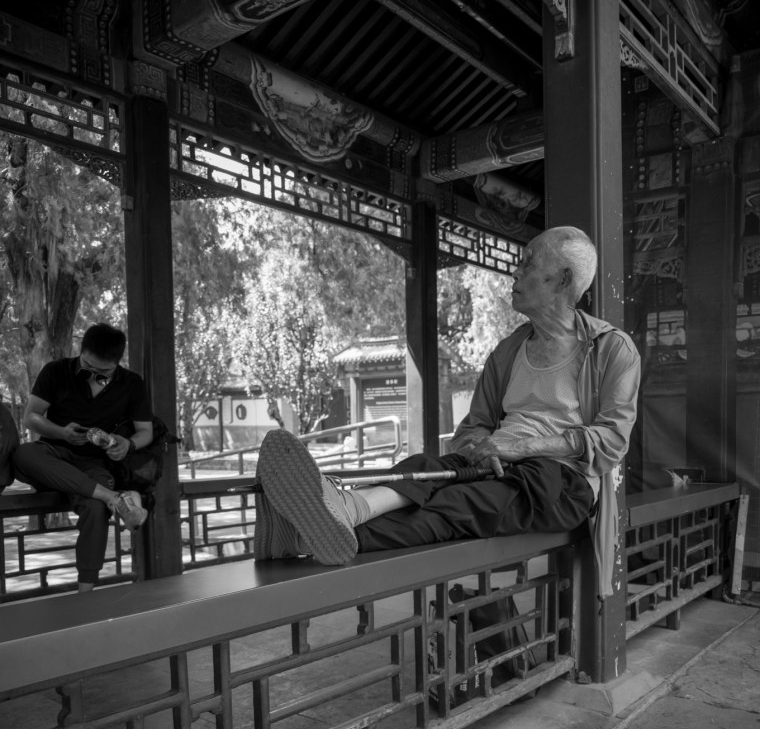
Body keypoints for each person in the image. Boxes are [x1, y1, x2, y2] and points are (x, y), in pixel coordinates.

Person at [253, 226, 641, 599]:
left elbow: (612, 439)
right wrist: (479, 448)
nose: (515, 272)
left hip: (560, 480)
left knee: (458, 503)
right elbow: (475, 427)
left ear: (562, 280)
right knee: (423, 468)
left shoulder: (610, 349)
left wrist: (520, 448)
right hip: (497, 464)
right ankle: (343, 509)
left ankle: (308, 534)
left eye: (528, 263)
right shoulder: (508, 351)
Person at [13, 323, 153, 592]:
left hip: (93, 464)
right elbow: (30, 417)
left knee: (95, 508)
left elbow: (145, 432)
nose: (94, 374)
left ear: (117, 363)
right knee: (23, 453)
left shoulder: (132, 383)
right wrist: (62, 433)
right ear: (81, 350)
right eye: (88, 365)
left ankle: (86, 593)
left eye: (103, 372)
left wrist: (128, 444)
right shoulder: (56, 371)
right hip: (52, 456)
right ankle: (113, 497)